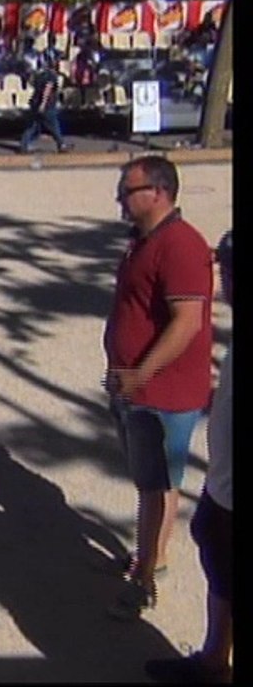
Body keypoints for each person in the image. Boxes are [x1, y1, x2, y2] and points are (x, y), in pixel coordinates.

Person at [103, 156, 213, 621]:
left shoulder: (181, 245)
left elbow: (187, 322)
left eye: (128, 191)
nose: (120, 199)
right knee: (150, 483)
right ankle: (152, 554)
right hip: (134, 387)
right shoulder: (144, 241)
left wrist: (141, 373)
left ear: (159, 192)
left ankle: (145, 574)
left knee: (158, 485)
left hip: (163, 393)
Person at [144, 230, 232, 683]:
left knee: (221, 557)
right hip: (222, 487)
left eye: (226, 271)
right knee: (214, 548)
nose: (221, 280)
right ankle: (215, 658)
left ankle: (215, 661)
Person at [18, 54, 71, 154]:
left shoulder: (38, 74)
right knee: (54, 125)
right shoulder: (51, 75)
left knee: (33, 126)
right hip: (47, 105)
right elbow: (47, 90)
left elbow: (32, 84)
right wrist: (43, 103)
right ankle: (61, 145)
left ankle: (23, 146)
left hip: (35, 103)